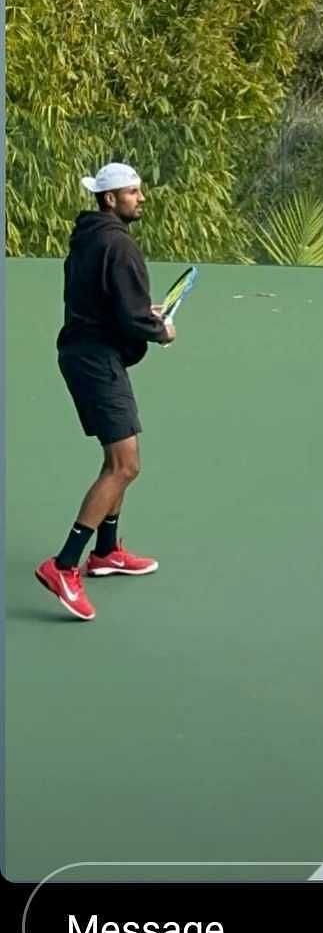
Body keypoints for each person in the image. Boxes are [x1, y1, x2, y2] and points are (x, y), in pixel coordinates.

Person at [35, 163, 176, 622]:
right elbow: (134, 318)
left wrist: (139, 312)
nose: (141, 198)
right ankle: (63, 565)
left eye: (138, 190)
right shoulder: (118, 244)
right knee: (125, 464)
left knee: (115, 458)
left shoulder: (89, 238)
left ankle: (107, 552)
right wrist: (160, 328)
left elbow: (108, 302)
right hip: (96, 361)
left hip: (85, 353)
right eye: (132, 192)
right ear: (110, 199)